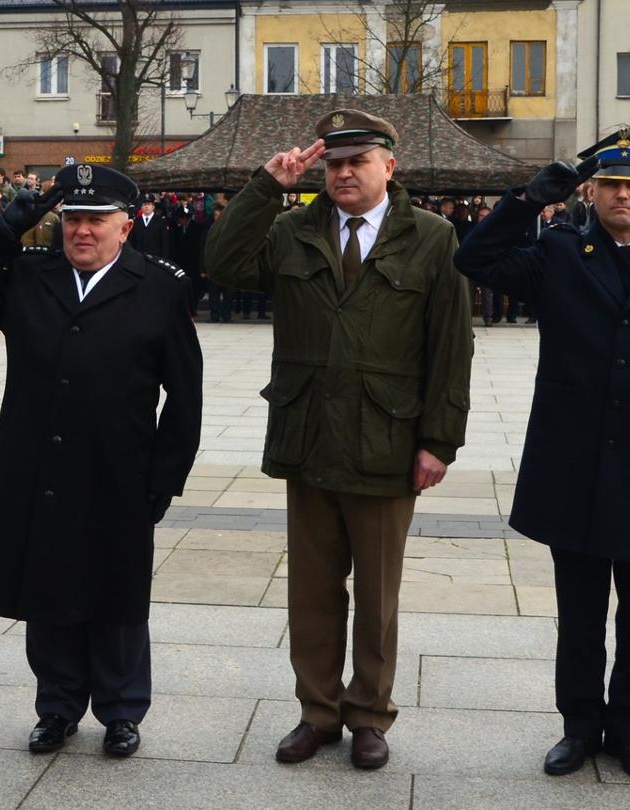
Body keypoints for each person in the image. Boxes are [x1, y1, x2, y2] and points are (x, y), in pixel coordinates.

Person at [454, 129, 630, 785]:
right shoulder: (558, 253)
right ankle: (579, 727)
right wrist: (523, 202)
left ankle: (628, 731)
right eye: (610, 185)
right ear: (592, 191)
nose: (622, 196)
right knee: (579, 616)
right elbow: (475, 261)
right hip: (573, 464)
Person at [207, 109, 474, 770]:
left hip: (386, 440)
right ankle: (318, 712)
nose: (344, 173)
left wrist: (440, 441)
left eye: (358, 161)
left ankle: (369, 714)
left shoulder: (434, 239)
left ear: (391, 164)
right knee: (312, 590)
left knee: (378, 596)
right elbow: (222, 262)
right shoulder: (292, 230)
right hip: (311, 437)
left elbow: (451, 348)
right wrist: (265, 187)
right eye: (333, 163)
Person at [0, 163, 202, 759]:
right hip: (40, 464)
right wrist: (14, 220)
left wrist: (165, 477)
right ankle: (57, 706)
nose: (81, 231)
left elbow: (185, 395)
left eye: (96, 221)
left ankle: (120, 711)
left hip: (119, 469)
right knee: (49, 586)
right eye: (73, 220)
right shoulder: (32, 277)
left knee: (116, 593)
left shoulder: (159, 287)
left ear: (125, 227)